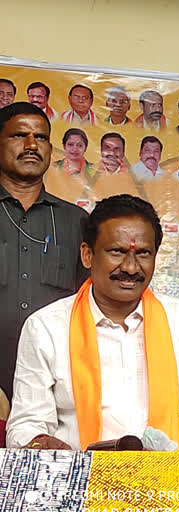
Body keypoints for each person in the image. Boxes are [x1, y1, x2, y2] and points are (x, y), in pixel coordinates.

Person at [6, 194, 179, 451]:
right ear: (87, 255)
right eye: (117, 252)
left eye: (144, 253)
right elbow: (27, 423)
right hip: (80, 483)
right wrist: (37, 445)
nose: (132, 268)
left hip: (175, 485)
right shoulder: (46, 327)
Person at [0, 102, 88, 402]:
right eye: (18, 136)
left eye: (41, 137)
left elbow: (90, 305)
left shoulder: (75, 222)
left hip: (54, 387)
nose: (31, 145)